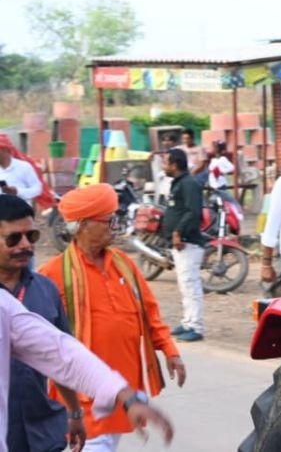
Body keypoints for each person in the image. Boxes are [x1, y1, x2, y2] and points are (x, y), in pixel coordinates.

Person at [38, 184, 186, 451]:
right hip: (84, 399)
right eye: (108, 220)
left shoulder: (123, 263)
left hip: (124, 391)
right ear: (83, 225)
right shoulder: (52, 274)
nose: (115, 226)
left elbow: (149, 312)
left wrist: (169, 350)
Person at [0, 289, 174, 451]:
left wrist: (126, 396)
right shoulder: (53, 273)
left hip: (91, 403)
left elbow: (61, 353)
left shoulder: (6, 306)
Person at [1, 195, 86, 452]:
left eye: (32, 236)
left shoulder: (46, 290)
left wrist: (74, 412)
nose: (25, 245)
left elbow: (61, 358)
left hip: (42, 430)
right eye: (14, 238)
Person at [161, 149, 205, 343]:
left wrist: (178, 231)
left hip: (188, 243)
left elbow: (193, 212)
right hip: (181, 244)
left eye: (166, 162)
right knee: (185, 285)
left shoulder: (188, 184)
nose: (163, 166)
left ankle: (196, 327)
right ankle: (187, 322)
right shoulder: (179, 183)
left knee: (191, 285)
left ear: (175, 164)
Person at [0, 135, 52, 210]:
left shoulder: (24, 167)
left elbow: (37, 189)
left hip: (21, 212)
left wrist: (17, 192)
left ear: (5, 150)